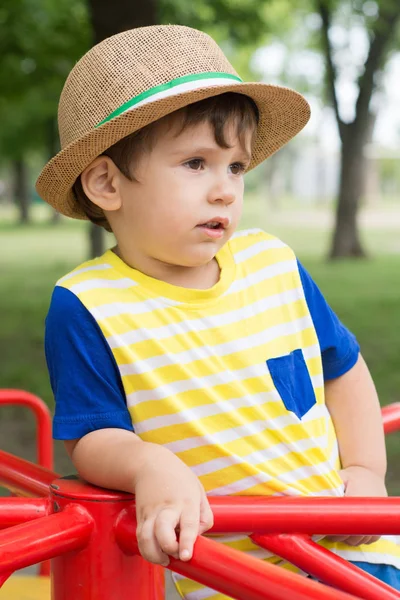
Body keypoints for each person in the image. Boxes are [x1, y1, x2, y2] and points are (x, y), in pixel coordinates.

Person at [37, 25, 400, 598]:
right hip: (229, 574)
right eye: (196, 164)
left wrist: (365, 472)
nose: (227, 190)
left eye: (236, 167)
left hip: (353, 553)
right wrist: (148, 465)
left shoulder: (273, 264)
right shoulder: (88, 303)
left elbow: (342, 369)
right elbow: (93, 433)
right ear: (107, 182)